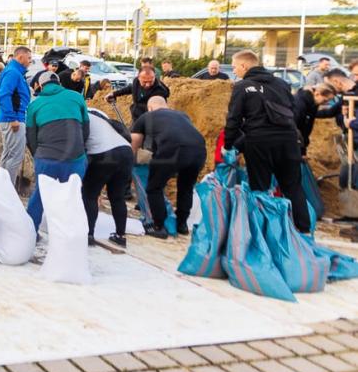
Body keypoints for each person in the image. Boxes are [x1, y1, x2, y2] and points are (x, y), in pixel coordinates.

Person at [224, 49, 311, 234]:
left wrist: (228, 145)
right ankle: (303, 231)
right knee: (293, 187)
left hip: (259, 141)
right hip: (288, 140)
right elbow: (294, 113)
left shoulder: (242, 86)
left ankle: (263, 231)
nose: (234, 71)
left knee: (260, 187)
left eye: (234, 67)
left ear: (244, 65)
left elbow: (234, 119)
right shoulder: (282, 84)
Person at [131, 96, 206, 238]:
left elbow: (134, 143)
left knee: (154, 188)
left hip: (172, 150)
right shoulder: (182, 115)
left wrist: (131, 161)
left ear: (150, 107)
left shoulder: (147, 116)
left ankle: (158, 226)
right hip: (198, 150)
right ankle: (182, 225)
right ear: (166, 105)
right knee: (186, 188)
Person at [25, 71, 90, 232]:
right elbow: (86, 129)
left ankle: (30, 231)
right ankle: (70, 234)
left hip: (47, 157)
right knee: (73, 196)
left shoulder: (34, 105)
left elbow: (30, 137)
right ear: (59, 83)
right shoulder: (77, 97)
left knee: (40, 195)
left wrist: (39, 156)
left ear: (40, 86)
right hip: (76, 157)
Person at [82, 108, 133, 247]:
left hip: (104, 153)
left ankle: (88, 234)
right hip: (127, 152)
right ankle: (120, 236)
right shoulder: (103, 121)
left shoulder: (81, 117)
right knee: (117, 197)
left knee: (90, 194)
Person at [0, 46, 32, 184]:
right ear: (20, 57)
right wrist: (12, 118)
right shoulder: (13, 72)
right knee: (15, 156)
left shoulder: (14, 71)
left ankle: (1, 188)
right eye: (29, 58)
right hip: (13, 119)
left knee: (8, 155)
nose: (30, 61)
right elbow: (4, 95)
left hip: (12, 118)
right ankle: (7, 191)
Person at [105, 66, 170, 123]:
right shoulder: (136, 81)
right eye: (144, 82)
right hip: (136, 118)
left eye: (150, 81)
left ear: (154, 77)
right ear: (139, 77)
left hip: (151, 122)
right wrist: (114, 94)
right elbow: (131, 88)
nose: (147, 85)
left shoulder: (159, 91)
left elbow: (158, 111)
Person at [294, 83, 337, 156]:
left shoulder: (313, 103)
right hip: (292, 143)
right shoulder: (300, 103)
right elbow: (296, 126)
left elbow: (307, 127)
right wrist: (301, 149)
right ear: (317, 94)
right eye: (325, 100)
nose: (326, 103)